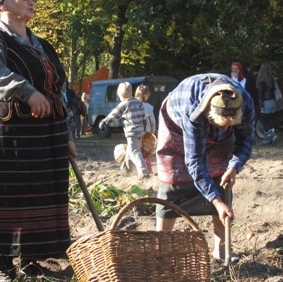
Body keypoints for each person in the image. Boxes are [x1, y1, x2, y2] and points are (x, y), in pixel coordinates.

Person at [0, 0, 76, 282]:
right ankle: (3, 265)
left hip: (46, 131)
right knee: (7, 195)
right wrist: (26, 91)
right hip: (8, 129)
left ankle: (32, 260)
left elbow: (58, 90)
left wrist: (67, 134)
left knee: (42, 193)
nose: (32, 0)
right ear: (2, 3)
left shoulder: (41, 44)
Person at [155, 74, 255, 263]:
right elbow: (195, 161)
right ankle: (160, 250)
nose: (225, 130)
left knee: (220, 179)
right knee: (172, 183)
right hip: (176, 124)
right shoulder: (193, 112)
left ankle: (222, 250)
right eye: (221, 125)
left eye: (230, 126)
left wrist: (234, 167)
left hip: (211, 119)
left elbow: (246, 140)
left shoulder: (245, 103)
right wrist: (217, 203)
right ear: (209, 115)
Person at [99, 81, 148, 178]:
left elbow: (114, 115)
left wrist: (104, 121)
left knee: (134, 151)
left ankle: (143, 171)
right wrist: (145, 129)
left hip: (131, 131)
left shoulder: (124, 104)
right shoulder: (139, 103)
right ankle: (126, 169)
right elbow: (144, 117)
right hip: (140, 130)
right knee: (130, 149)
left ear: (122, 95)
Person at [256, 62, 281, 145]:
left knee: (263, 120)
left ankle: (272, 135)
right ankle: (268, 138)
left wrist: (261, 106)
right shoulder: (272, 79)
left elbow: (260, 94)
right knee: (269, 120)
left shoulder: (261, 80)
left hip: (265, 102)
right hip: (273, 102)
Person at [135, 84, 156, 174]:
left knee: (136, 152)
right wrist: (152, 132)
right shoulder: (148, 107)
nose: (148, 96)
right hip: (146, 133)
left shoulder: (133, 105)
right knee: (146, 153)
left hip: (135, 132)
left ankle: (138, 170)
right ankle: (147, 170)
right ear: (144, 95)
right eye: (147, 95)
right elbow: (153, 122)